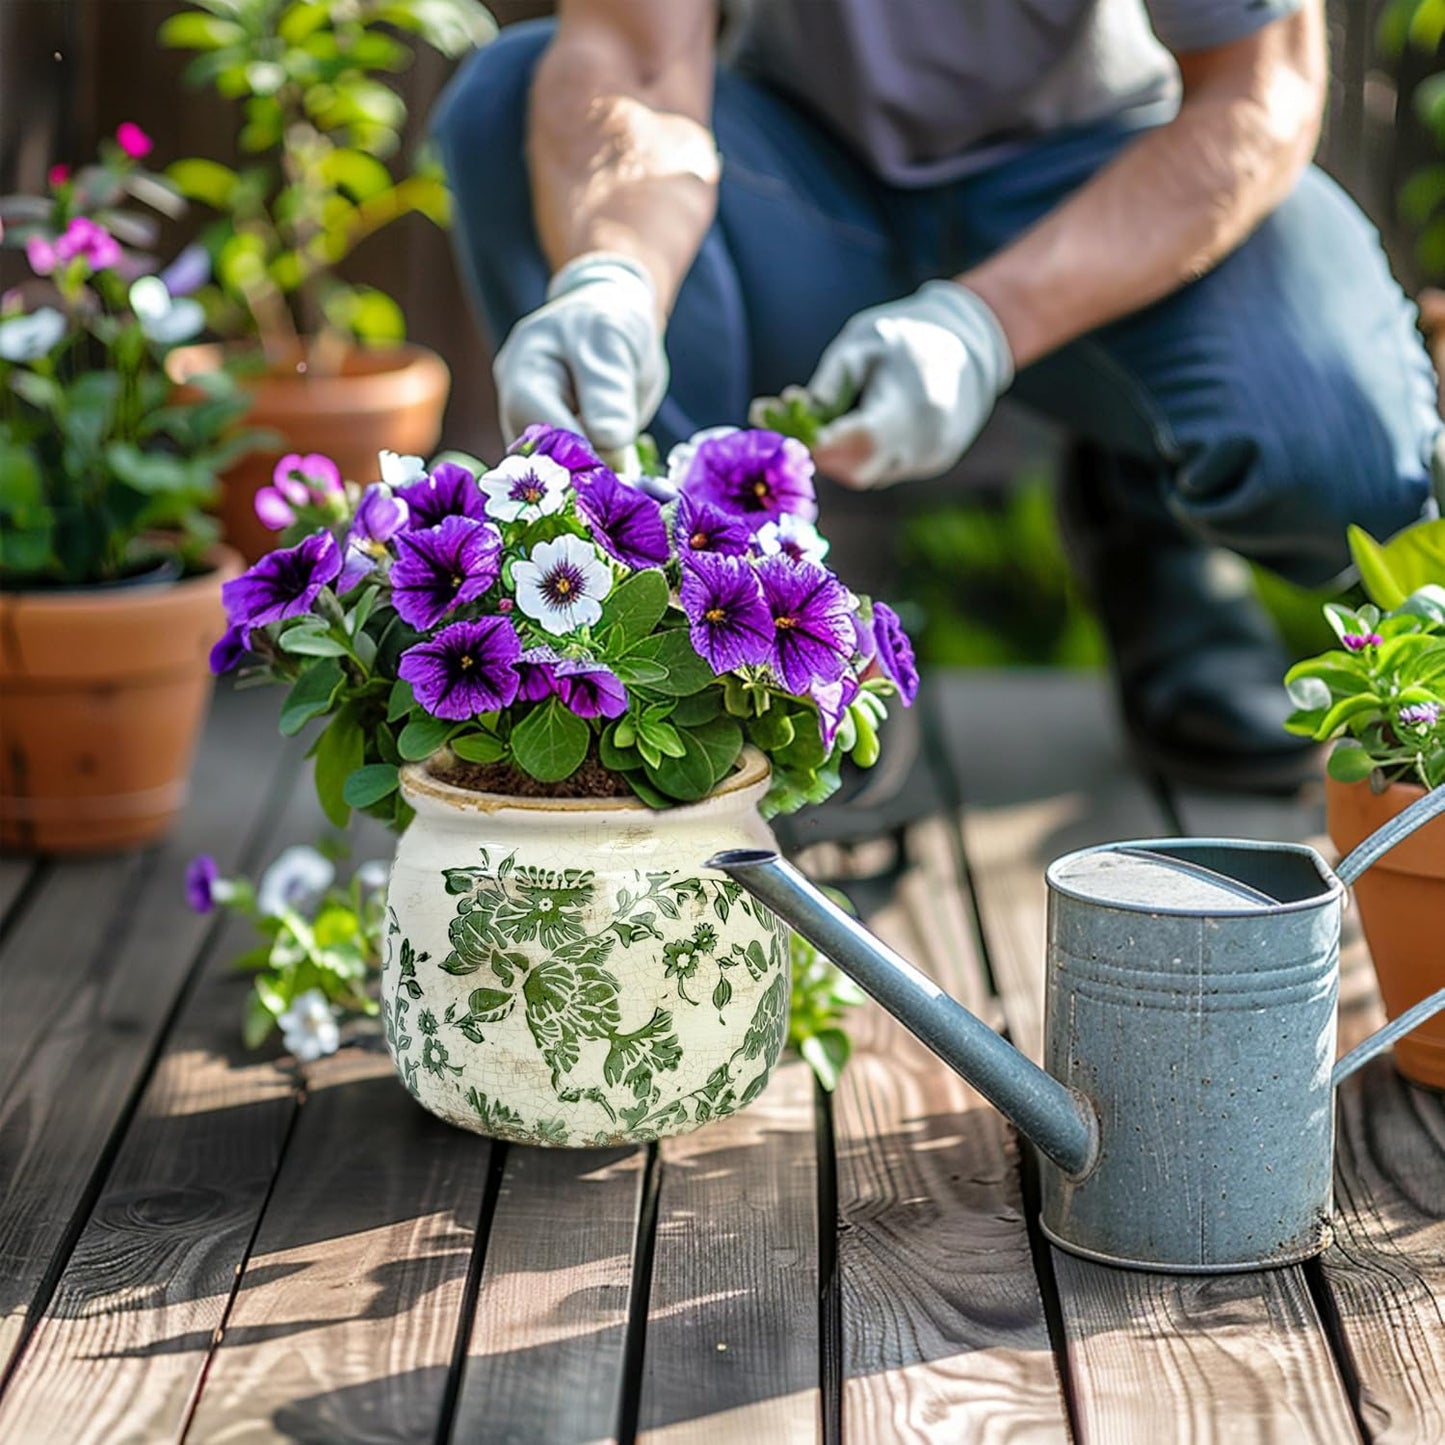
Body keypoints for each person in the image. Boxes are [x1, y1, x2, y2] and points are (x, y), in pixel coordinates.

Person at [432, 0, 1442, 798]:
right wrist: (612, 272)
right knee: (504, 100)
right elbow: (636, 58)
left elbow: (1258, 93)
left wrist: (986, 320)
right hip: (804, 187)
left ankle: (1142, 510)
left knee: (1346, 459)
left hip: (1113, 184)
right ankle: (725, 668)